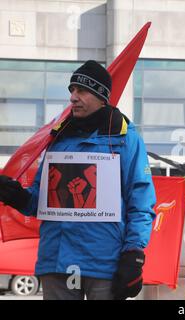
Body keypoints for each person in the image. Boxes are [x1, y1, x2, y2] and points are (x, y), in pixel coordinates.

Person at [0, 60, 156, 300]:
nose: (73, 97)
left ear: (101, 96)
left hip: (104, 262)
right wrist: (15, 195)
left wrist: (134, 254)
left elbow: (141, 201)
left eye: (81, 90)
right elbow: (39, 201)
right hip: (57, 260)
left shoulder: (126, 138)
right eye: (72, 90)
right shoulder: (57, 137)